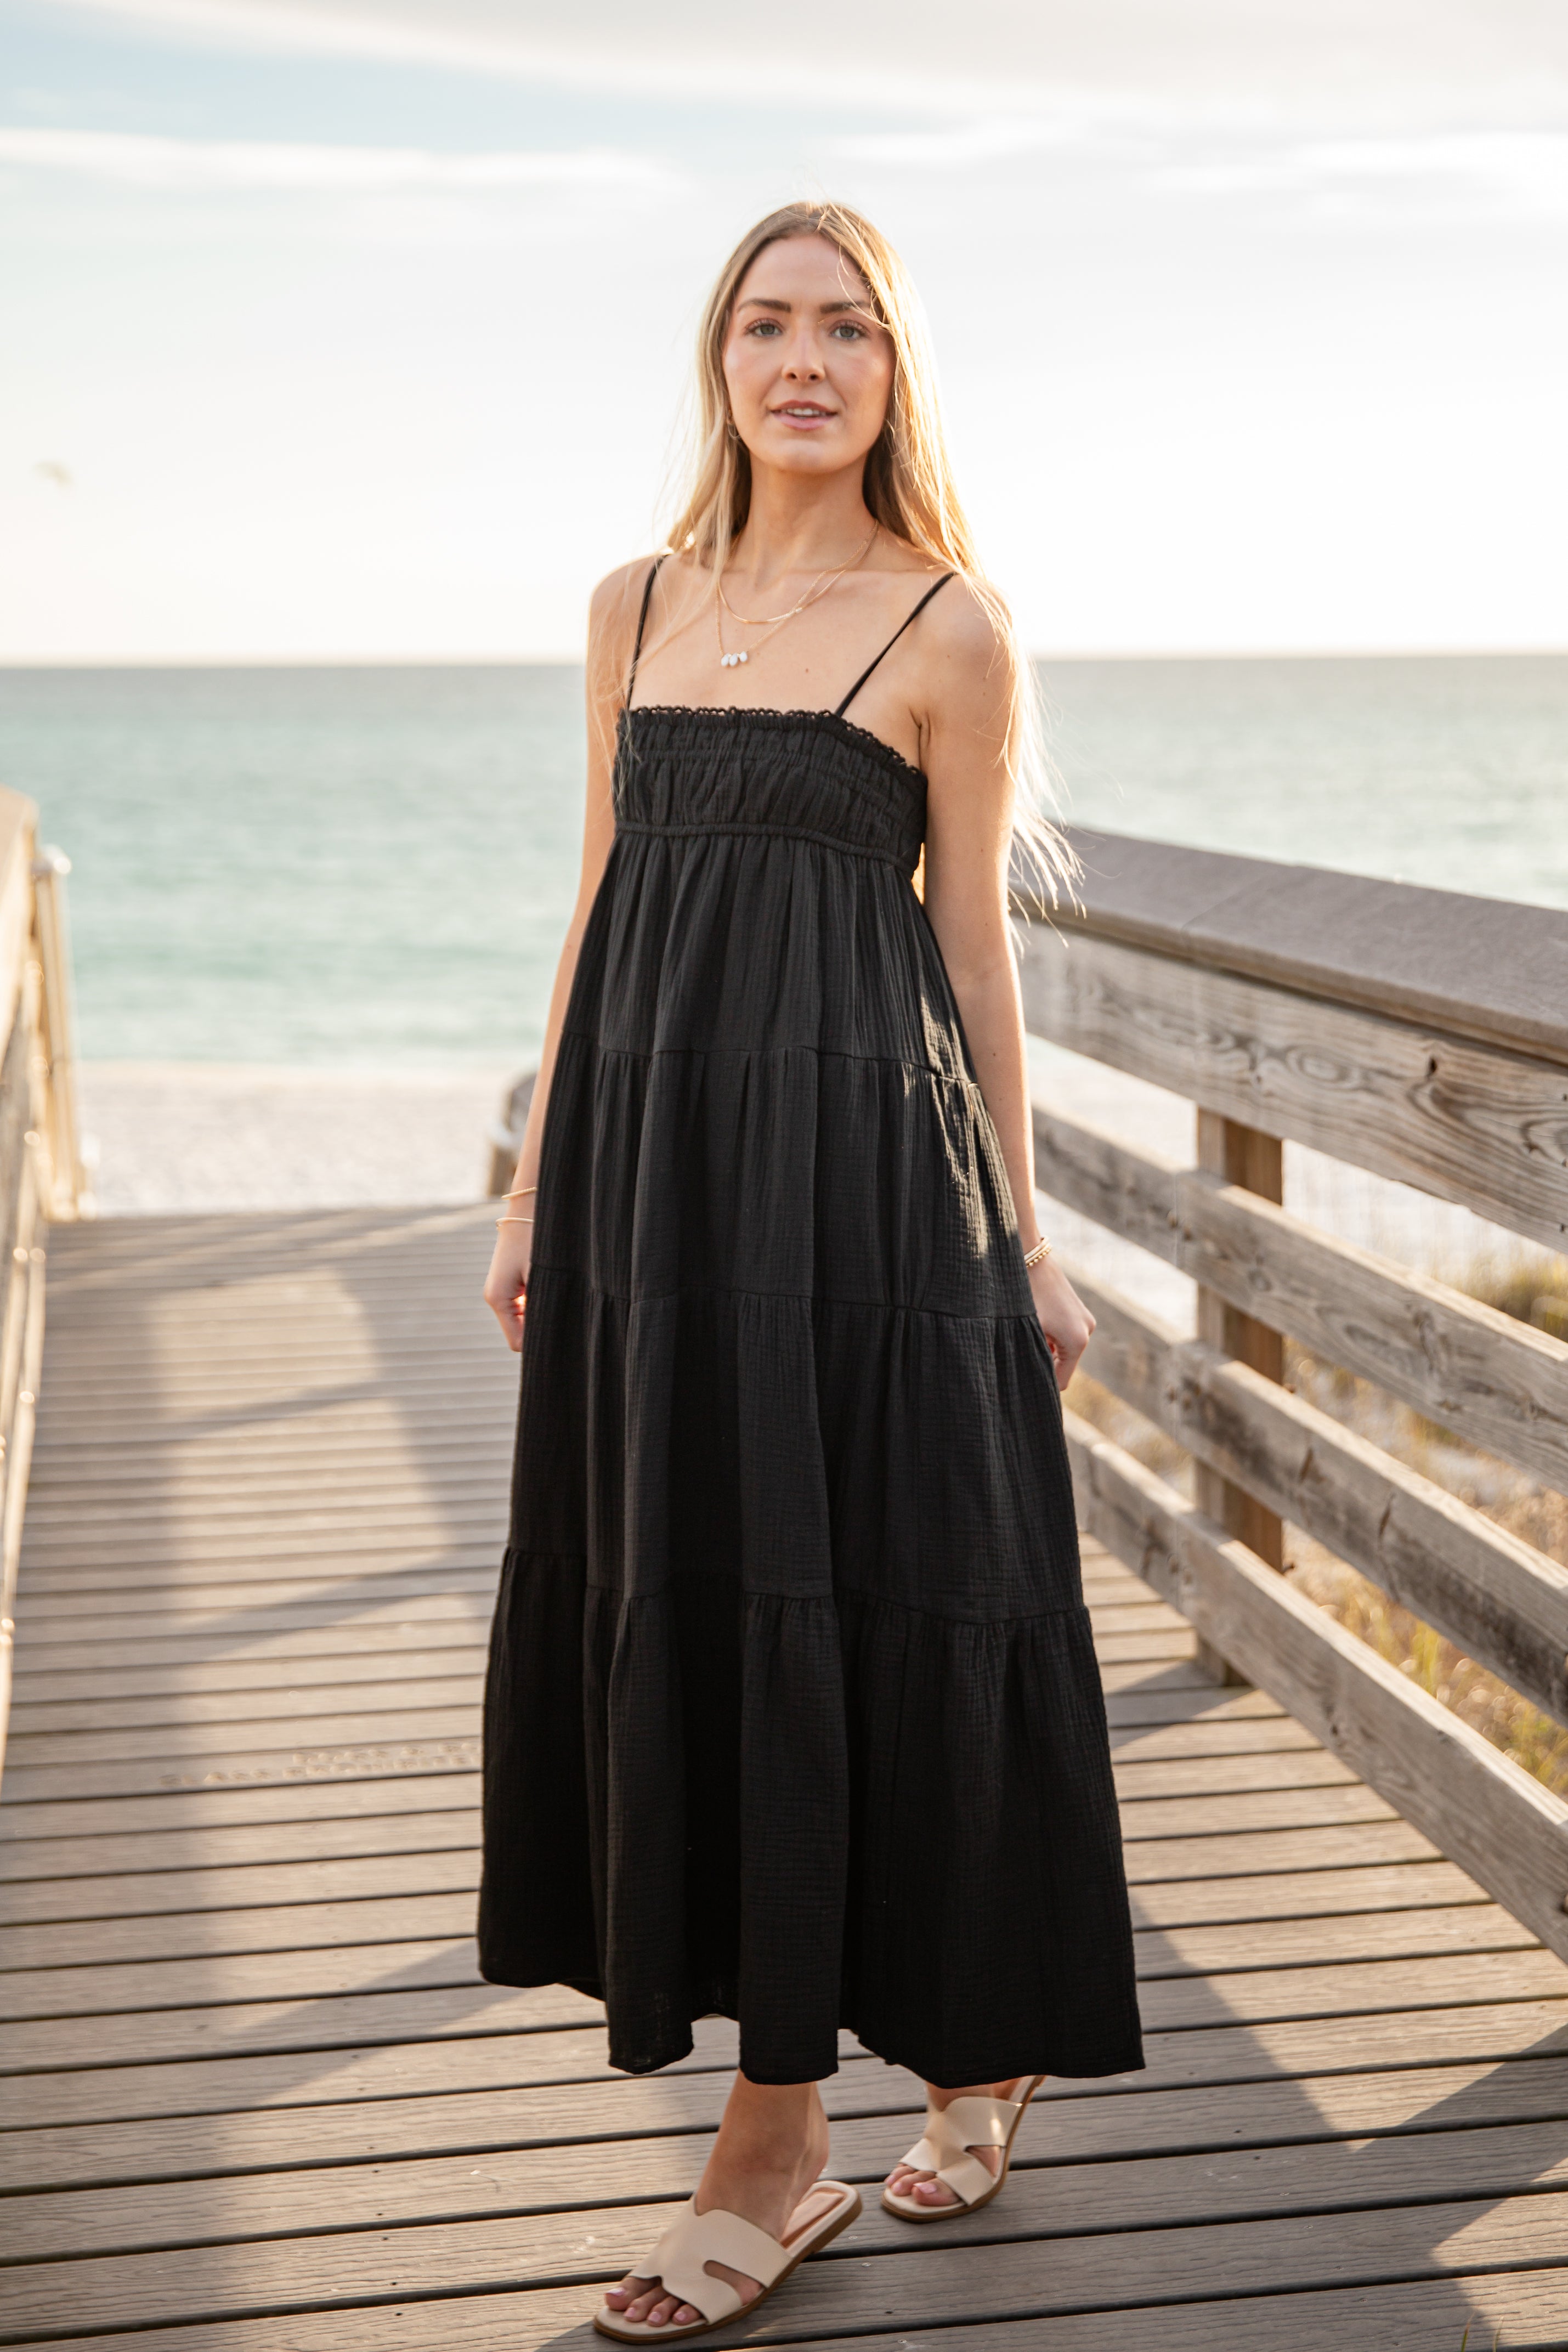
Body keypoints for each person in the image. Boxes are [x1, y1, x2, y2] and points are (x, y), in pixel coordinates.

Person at [479, 200, 1142, 2343]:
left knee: (884, 1598)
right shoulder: (634, 601)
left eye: (846, 328)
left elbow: (976, 958)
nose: (803, 358)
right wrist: (529, 1186)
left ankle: (793, 2137)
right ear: (719, 361)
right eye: (765, 323)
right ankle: (913, 2070)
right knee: (709, 1591)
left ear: (892, 373)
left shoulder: (949, 626)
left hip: (867, 1190)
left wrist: (1023, 1235)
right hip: (662, 1188)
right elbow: (598, 894)